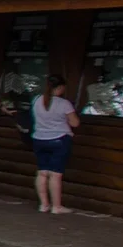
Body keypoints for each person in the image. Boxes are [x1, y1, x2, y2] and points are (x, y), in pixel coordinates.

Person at [31, 75, 79, 214]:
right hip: (59, 139)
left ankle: (44, 204)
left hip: (39, 139)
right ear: (59, 87)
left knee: (42, 173)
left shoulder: (36, 100)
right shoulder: (64, 104)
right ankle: (56, 206)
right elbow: (75, 122)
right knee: (55, 174)